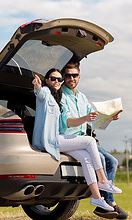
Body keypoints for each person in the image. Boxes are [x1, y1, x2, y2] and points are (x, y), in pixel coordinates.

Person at [32, 68, 121, 212]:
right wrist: (37, 87)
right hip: (52, 140)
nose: (57, 81)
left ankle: (97, 198)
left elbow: (91, 117)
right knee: (90, 142)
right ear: (47, 80)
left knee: (86, 159)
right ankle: (103, 181)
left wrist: (110, 116)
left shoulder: (60, 96)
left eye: (59, 79)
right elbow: (41, 95)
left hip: (66, 139)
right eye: (53, 79)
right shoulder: (47, 93)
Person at [60, 62, 128, 220]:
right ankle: (107, 203)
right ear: (63, 77)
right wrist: (84, 118)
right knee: (102, 159)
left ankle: (105, 201)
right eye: (68, 75)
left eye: (74, 75)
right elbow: (67, 122)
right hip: (70, 138)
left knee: (113, 161)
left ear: (79, 77)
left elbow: (94, 120)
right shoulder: (61, 96)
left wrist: (111, 117)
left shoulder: (82, 97)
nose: (71, 78)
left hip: (85, 138)